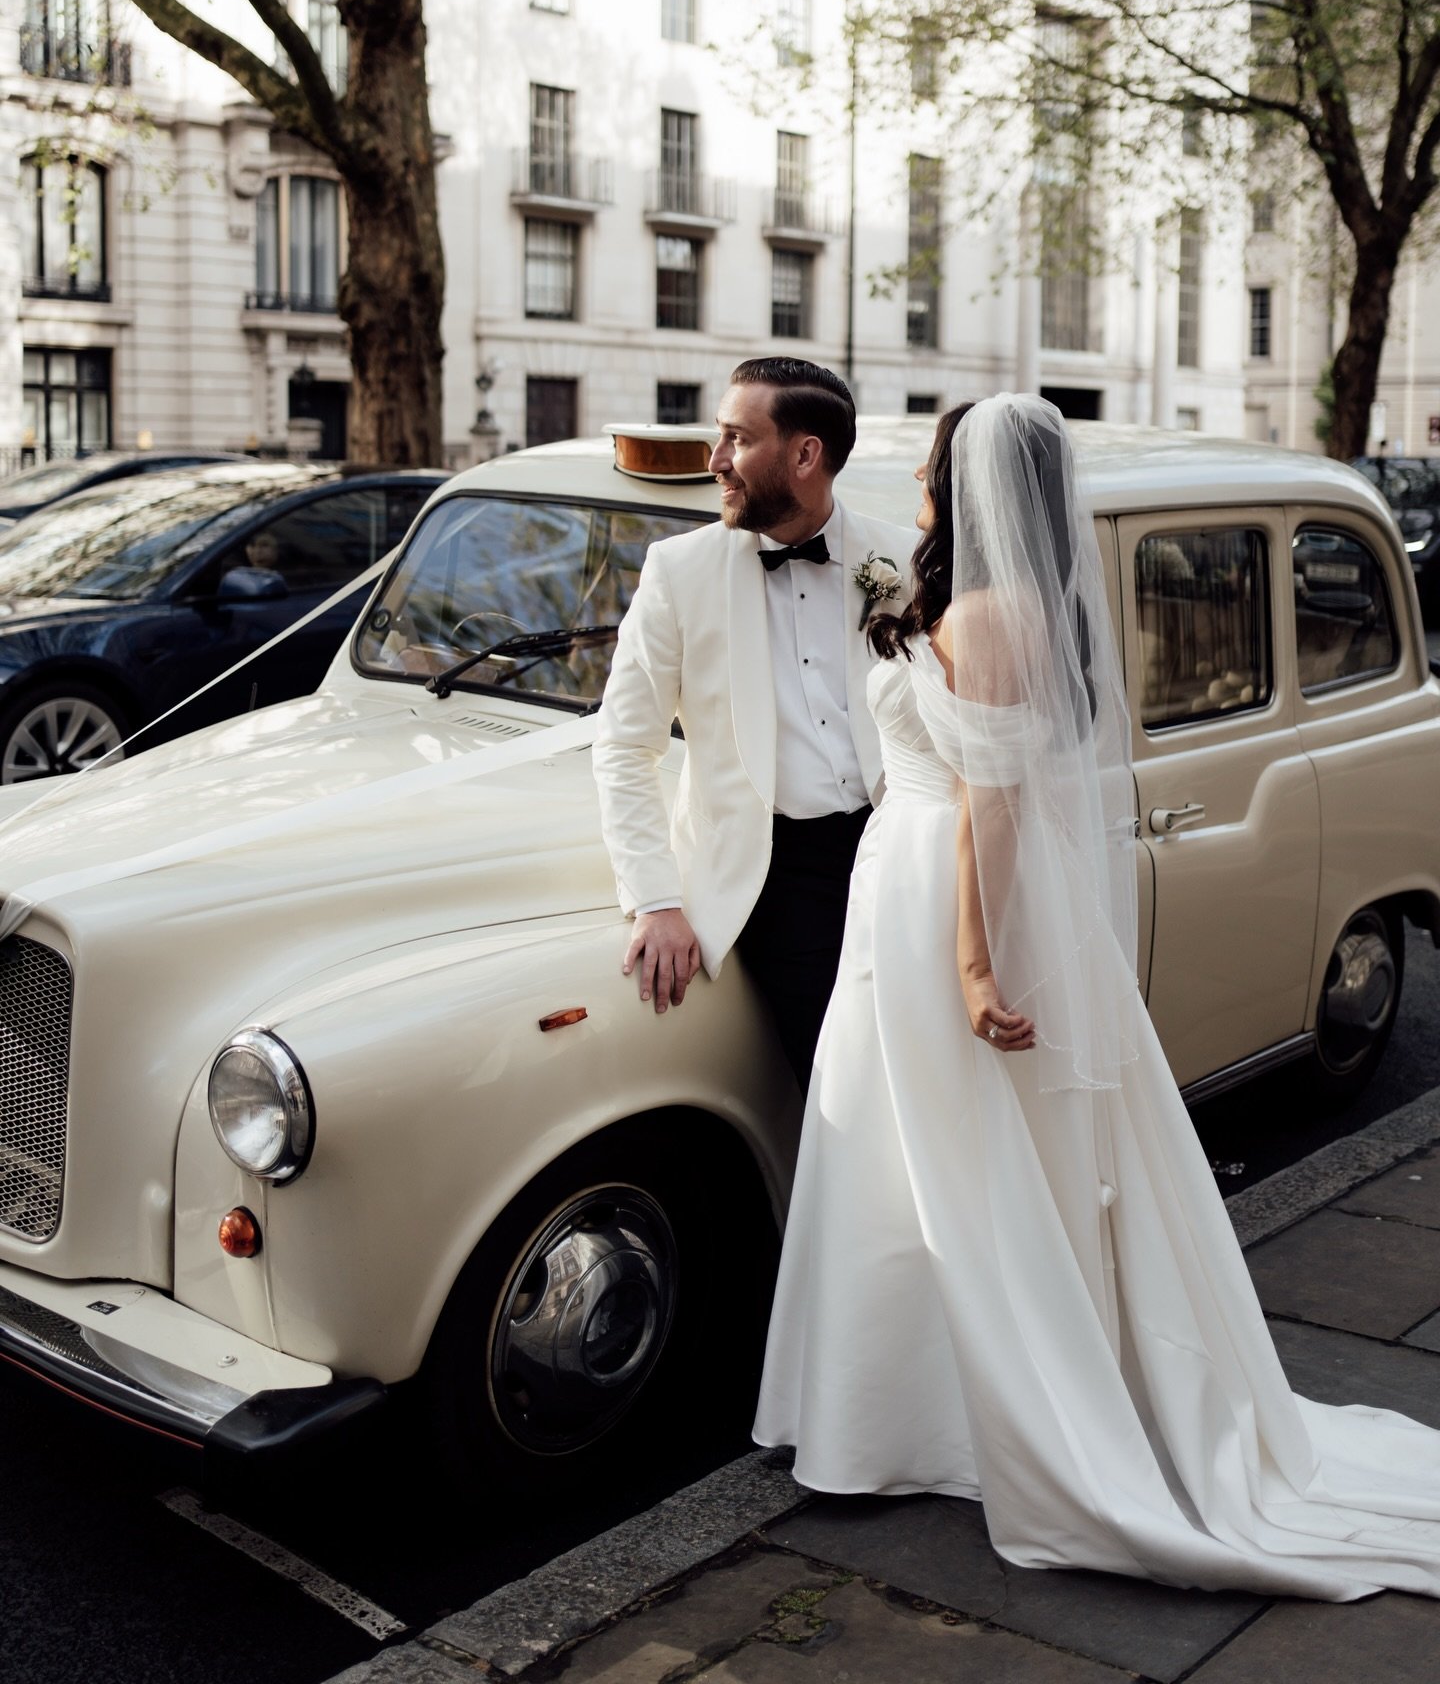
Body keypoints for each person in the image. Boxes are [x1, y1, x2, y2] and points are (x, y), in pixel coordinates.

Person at [755, 393, 1440, 1599]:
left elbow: (993, 806)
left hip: (943, 900)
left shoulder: (987, 613)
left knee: (960, 1160)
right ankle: (901, 1411)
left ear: (973, 488)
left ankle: (947, 1423)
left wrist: (973, 964)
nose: (917, 473)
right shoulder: (986, 604)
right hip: (902, 882)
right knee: (902, 1150)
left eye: (935, 460)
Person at [592, 357, 912, 1093]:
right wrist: (658, 899)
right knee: (845, 1089)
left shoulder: (895, 562)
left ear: (807, 455)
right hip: (777, 877)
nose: (716, 462)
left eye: (737, 439)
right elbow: (624, 747)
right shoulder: (679, 572)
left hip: (897, 853)